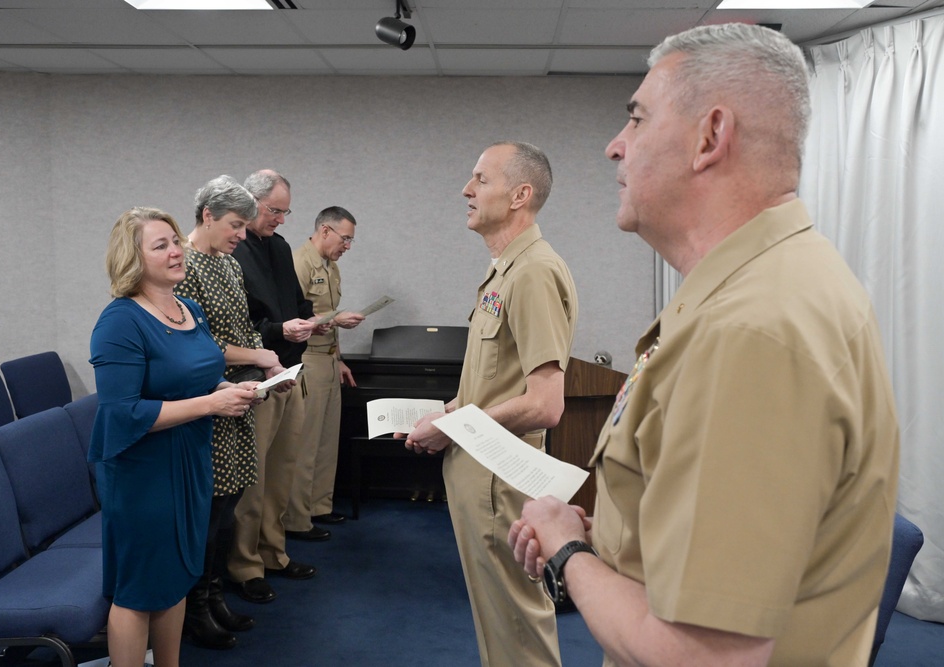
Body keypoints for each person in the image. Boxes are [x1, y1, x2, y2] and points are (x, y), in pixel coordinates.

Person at [508, 23, 900, 667]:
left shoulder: (748, 331)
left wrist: (566, 552)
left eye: (636, 118)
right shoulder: (766, 284)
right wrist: (608, 539)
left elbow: (703, 655)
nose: (615, 146)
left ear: (709, 137)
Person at [400, 141, 578, 667]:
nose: (466, 189)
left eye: (480, 179)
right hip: (480, 474)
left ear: (520, 195)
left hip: (501, 482)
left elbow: (546, 404)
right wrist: (444, 416)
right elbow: (491, 382)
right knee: (498, 624)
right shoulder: (504, 270)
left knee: (518, 628)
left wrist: (454, 429)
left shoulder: (534, 272)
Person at [89, 207, 259, 667]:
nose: (175, 250)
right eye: (159, 245)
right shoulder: (120, 321)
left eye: (176, 240)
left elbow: (197, 378)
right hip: (141, 470)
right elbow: (122, 413)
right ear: (133, 258)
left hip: (190, 457)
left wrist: (228, 389)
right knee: (138, 587)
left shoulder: (191, 309)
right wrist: (211, 404)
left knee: (178, 573)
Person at [175, 176, 293, 649]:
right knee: (207, 513)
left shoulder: (225, 264)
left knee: (227, 510)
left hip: (240, 398)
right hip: (207, 404)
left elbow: (242, 327)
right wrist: (258, 357)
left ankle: (214, 593)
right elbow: (195, 347)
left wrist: (264, 368)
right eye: (235, 225)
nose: (242, 235)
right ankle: (194, 608)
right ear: (206, 215)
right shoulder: (184, 267)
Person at [228, 169, 329, 605]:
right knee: (254, 480)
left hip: (290, 371)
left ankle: (274, 552)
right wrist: (277, 330)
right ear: (250, 202)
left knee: (282, 471)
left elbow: (292, 300)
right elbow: (239, 324)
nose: (281, 220)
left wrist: (309, 320)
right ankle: (244, 565)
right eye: (275, 211)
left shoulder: (279, 246)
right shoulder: (234, 252)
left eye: (286, 212)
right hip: (255, 378)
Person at [292, 206, 365, 527]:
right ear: (324, 230)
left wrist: (339, 360)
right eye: (345, 239)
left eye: (350, 241)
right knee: (305, 444)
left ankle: (318, 507)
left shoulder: (331, 267)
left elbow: (327, 316)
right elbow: (292, 319)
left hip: (327, 360)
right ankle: (296, 519)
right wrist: (335, 319)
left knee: (325, 441)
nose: (347, 247)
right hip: (306, 360)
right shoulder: (299, 264)